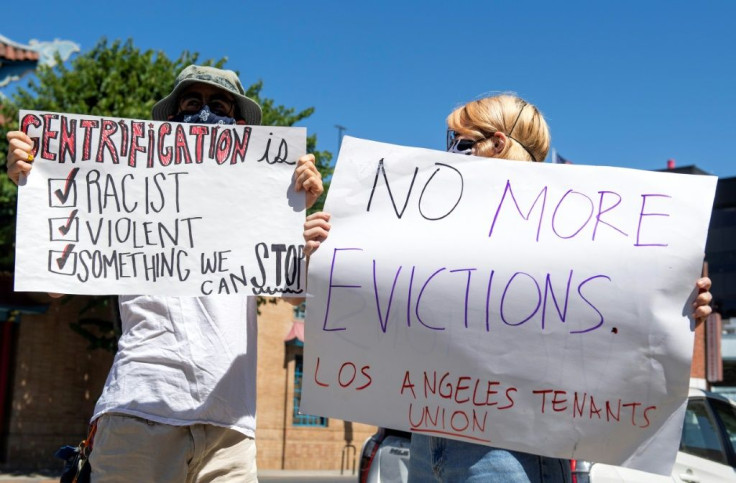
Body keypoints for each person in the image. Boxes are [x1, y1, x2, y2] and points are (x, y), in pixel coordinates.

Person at [302, 93, 713, 483]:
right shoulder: (428, 224)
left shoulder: (570, 227)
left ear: (496, 143)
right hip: (427, 441)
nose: (447, 153)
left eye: (459, 142)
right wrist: (324, 253)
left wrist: (677, 305)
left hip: (510, 453)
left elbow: (616, 316)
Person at [6, 65, 324, 482]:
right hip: (139, 414)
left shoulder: (261, 202)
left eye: (220, 106)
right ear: (171, 120)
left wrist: (301, 222)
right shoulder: (131, 182)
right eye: (192, 103)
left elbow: (295, 297)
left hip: (230, 431)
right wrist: (37, 186)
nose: (206, 114)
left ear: (241, 127)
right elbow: (51, 288)